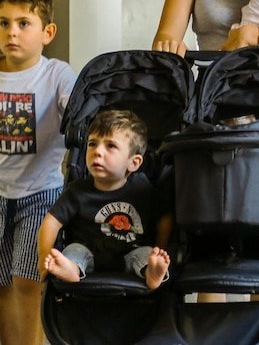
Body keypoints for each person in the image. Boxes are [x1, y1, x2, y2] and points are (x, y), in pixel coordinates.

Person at [0, 0, 77, 345]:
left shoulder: (56, 74)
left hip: (41, 195)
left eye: (22, 23)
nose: (11, 32)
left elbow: (77, 110)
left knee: (28, 282)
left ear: (48, 32)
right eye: (4, 23)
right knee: (2, 285)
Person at [38, 110, 172, 290]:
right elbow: (51, 222)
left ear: (134, 162)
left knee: (146, 255)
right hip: (88, 253)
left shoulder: (143, 189)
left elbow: (164, 217)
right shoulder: (77, 191)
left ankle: (152, 272)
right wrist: (44, 256)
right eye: (92, 144)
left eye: (111, 146)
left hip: (132, 252)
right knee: (73, 251)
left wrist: (160, 248)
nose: (98, 152)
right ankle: (71, 269)